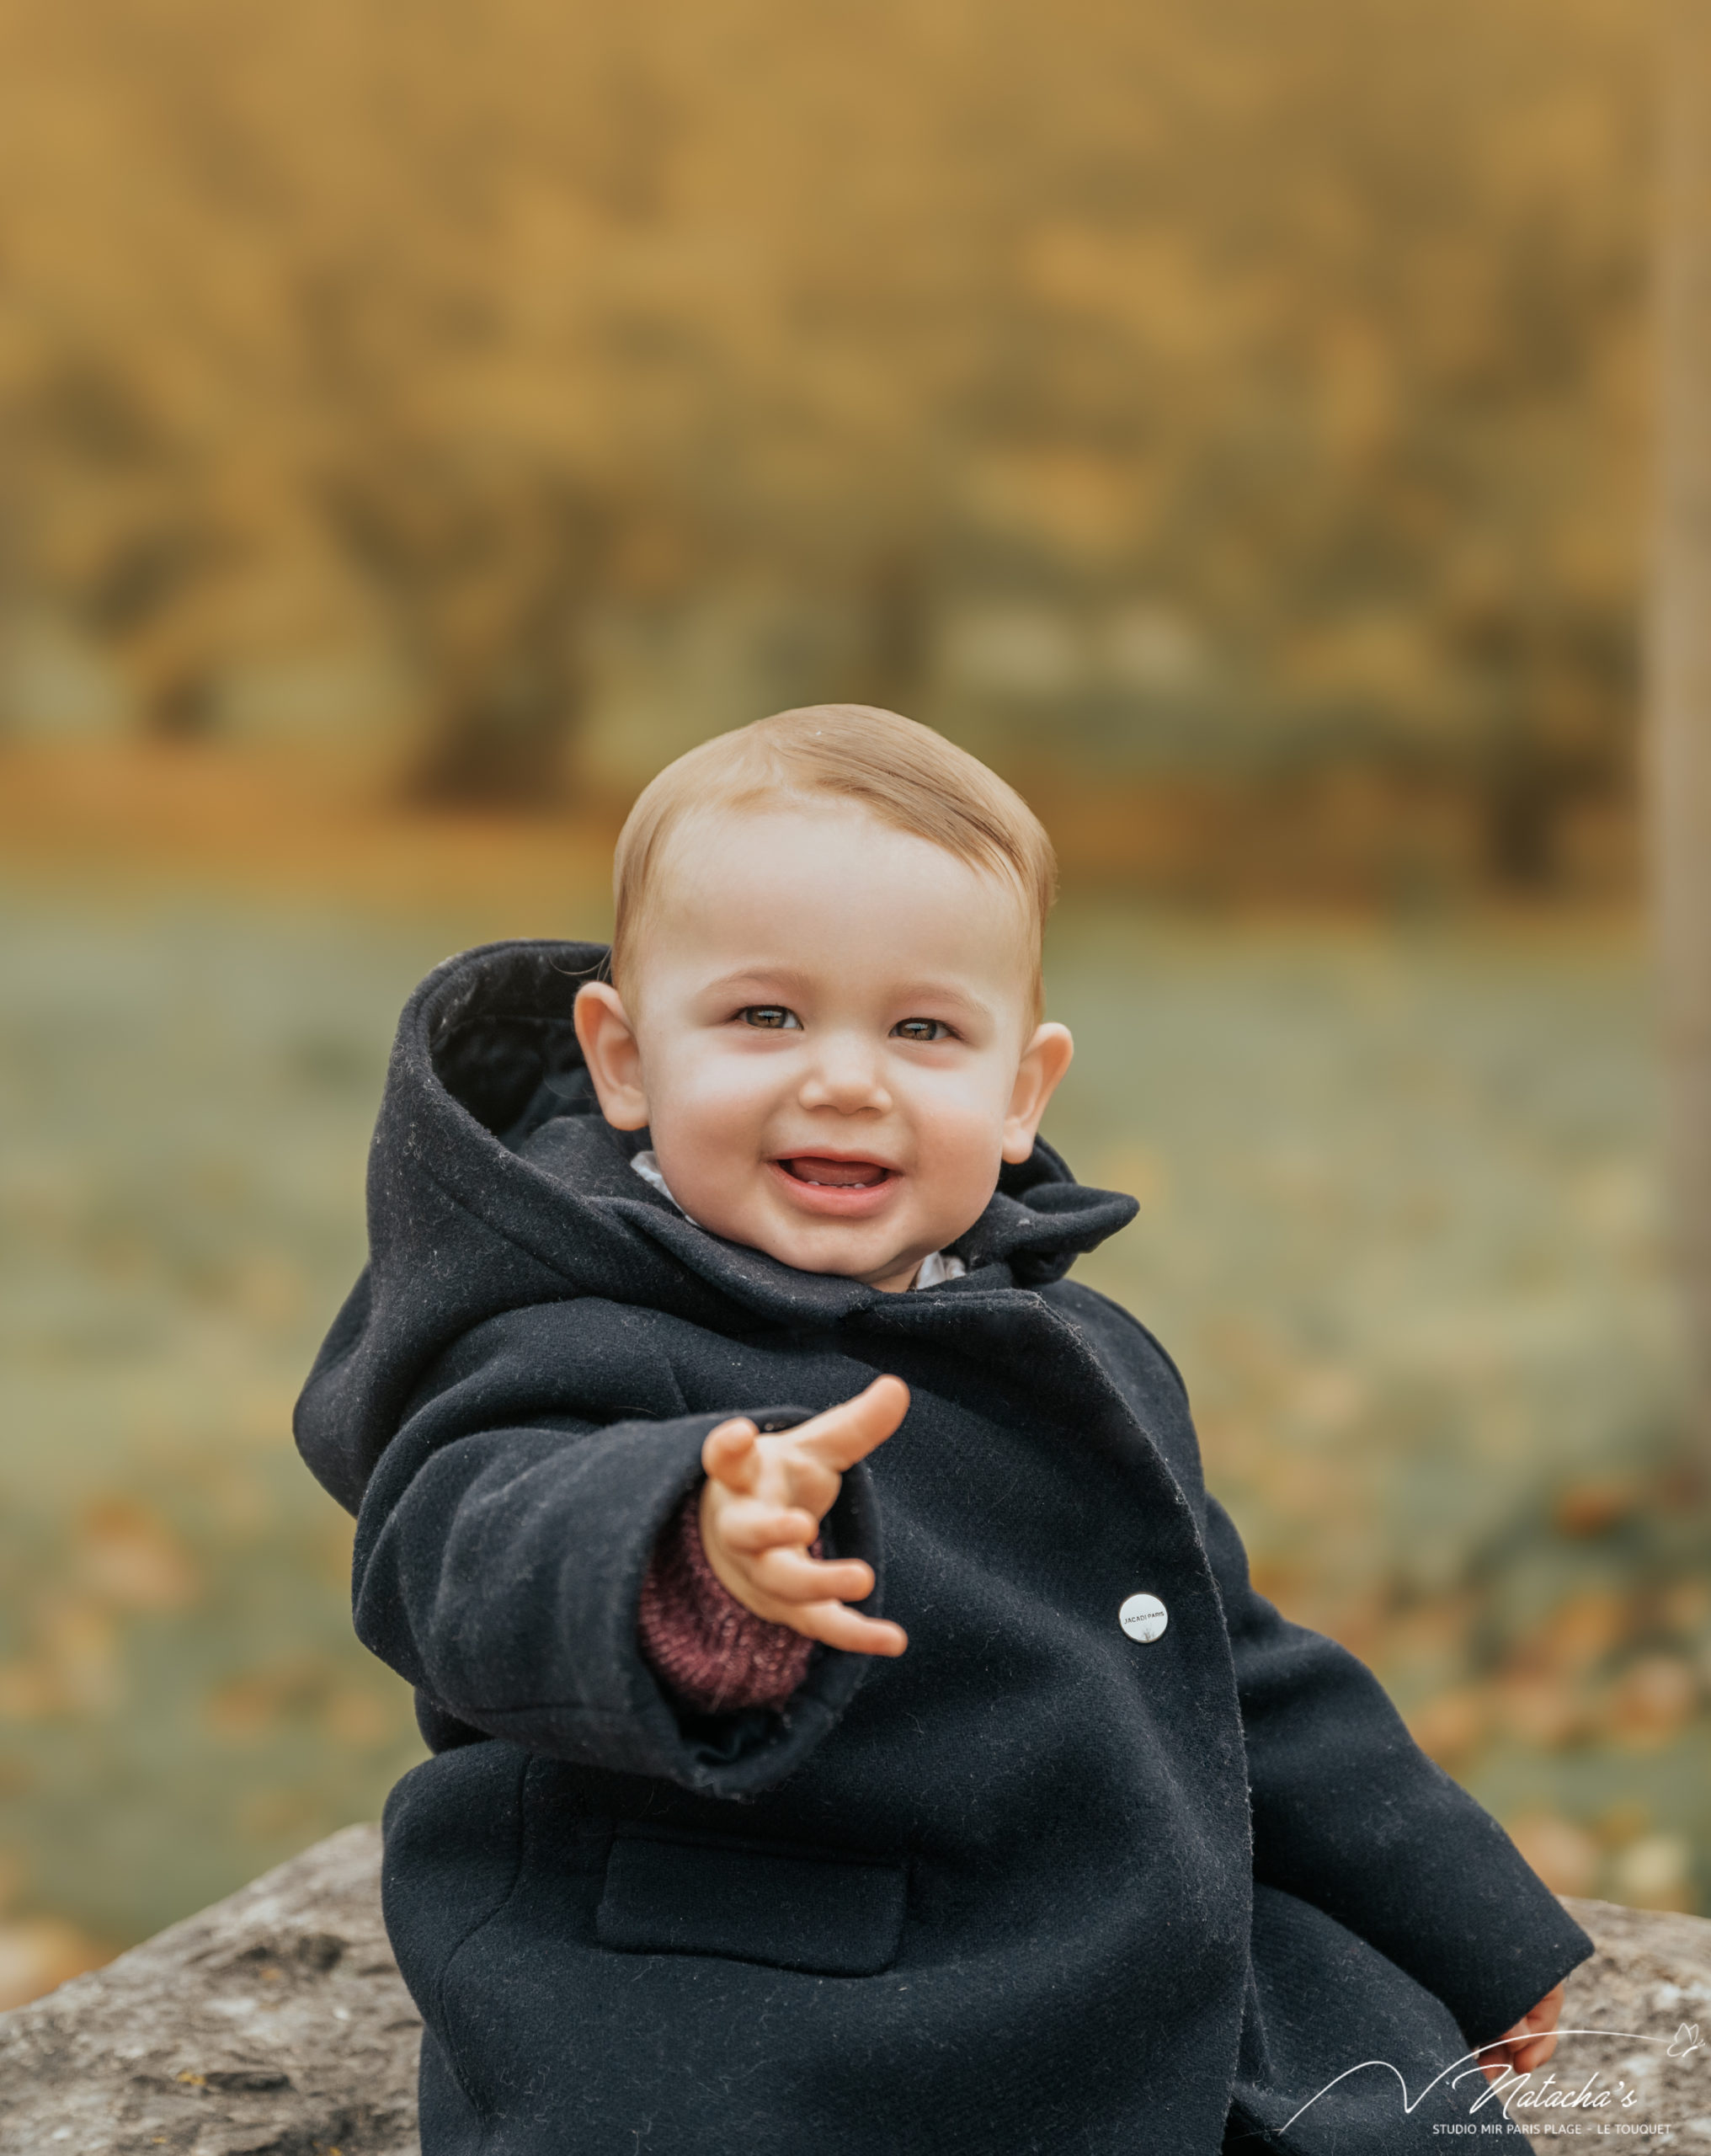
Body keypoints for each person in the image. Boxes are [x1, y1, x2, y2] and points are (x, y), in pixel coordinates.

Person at [295, 704, 1590, 2155]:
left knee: (1400, 2111)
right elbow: (460, 1542)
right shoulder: (572, 1319)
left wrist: (1460, 1909)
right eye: (764, 1016)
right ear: (625, 1058)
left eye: (922, 1029)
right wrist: (683, 1555)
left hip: (1094, 1941)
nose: (846, 1078)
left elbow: (1232, 1658)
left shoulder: (1064, 1349)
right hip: (735, 1999)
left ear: (1021, 1090)